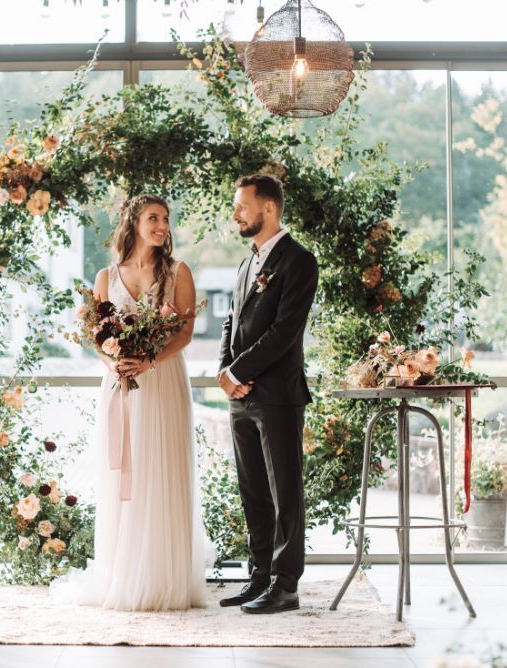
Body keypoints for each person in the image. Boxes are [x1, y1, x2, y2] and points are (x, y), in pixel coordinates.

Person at [51, 194, 208, 611]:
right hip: (121, 385)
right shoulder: (106, 277)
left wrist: (150, 359)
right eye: (153, 218)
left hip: (163, 381)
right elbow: (95, 338)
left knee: (162, 469)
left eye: (166, 219)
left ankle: (163, 579)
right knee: (125, 477)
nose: (161, 226)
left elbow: (186, 333)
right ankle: (123, 576)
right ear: (134, 222)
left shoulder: (178, 272)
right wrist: (113, 363)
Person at [217, 174, 318, 614]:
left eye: (242, 206)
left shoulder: (299, 261)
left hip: (277, 394)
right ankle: (259, 576)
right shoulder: (247, 262)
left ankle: (286, 586)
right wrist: (225, 370)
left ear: (269, 209)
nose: (236, 213)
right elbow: (230, 322)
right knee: (253, 490)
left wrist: (240, 369)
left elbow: (283, 333)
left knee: (285, 494)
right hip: (240, 395)